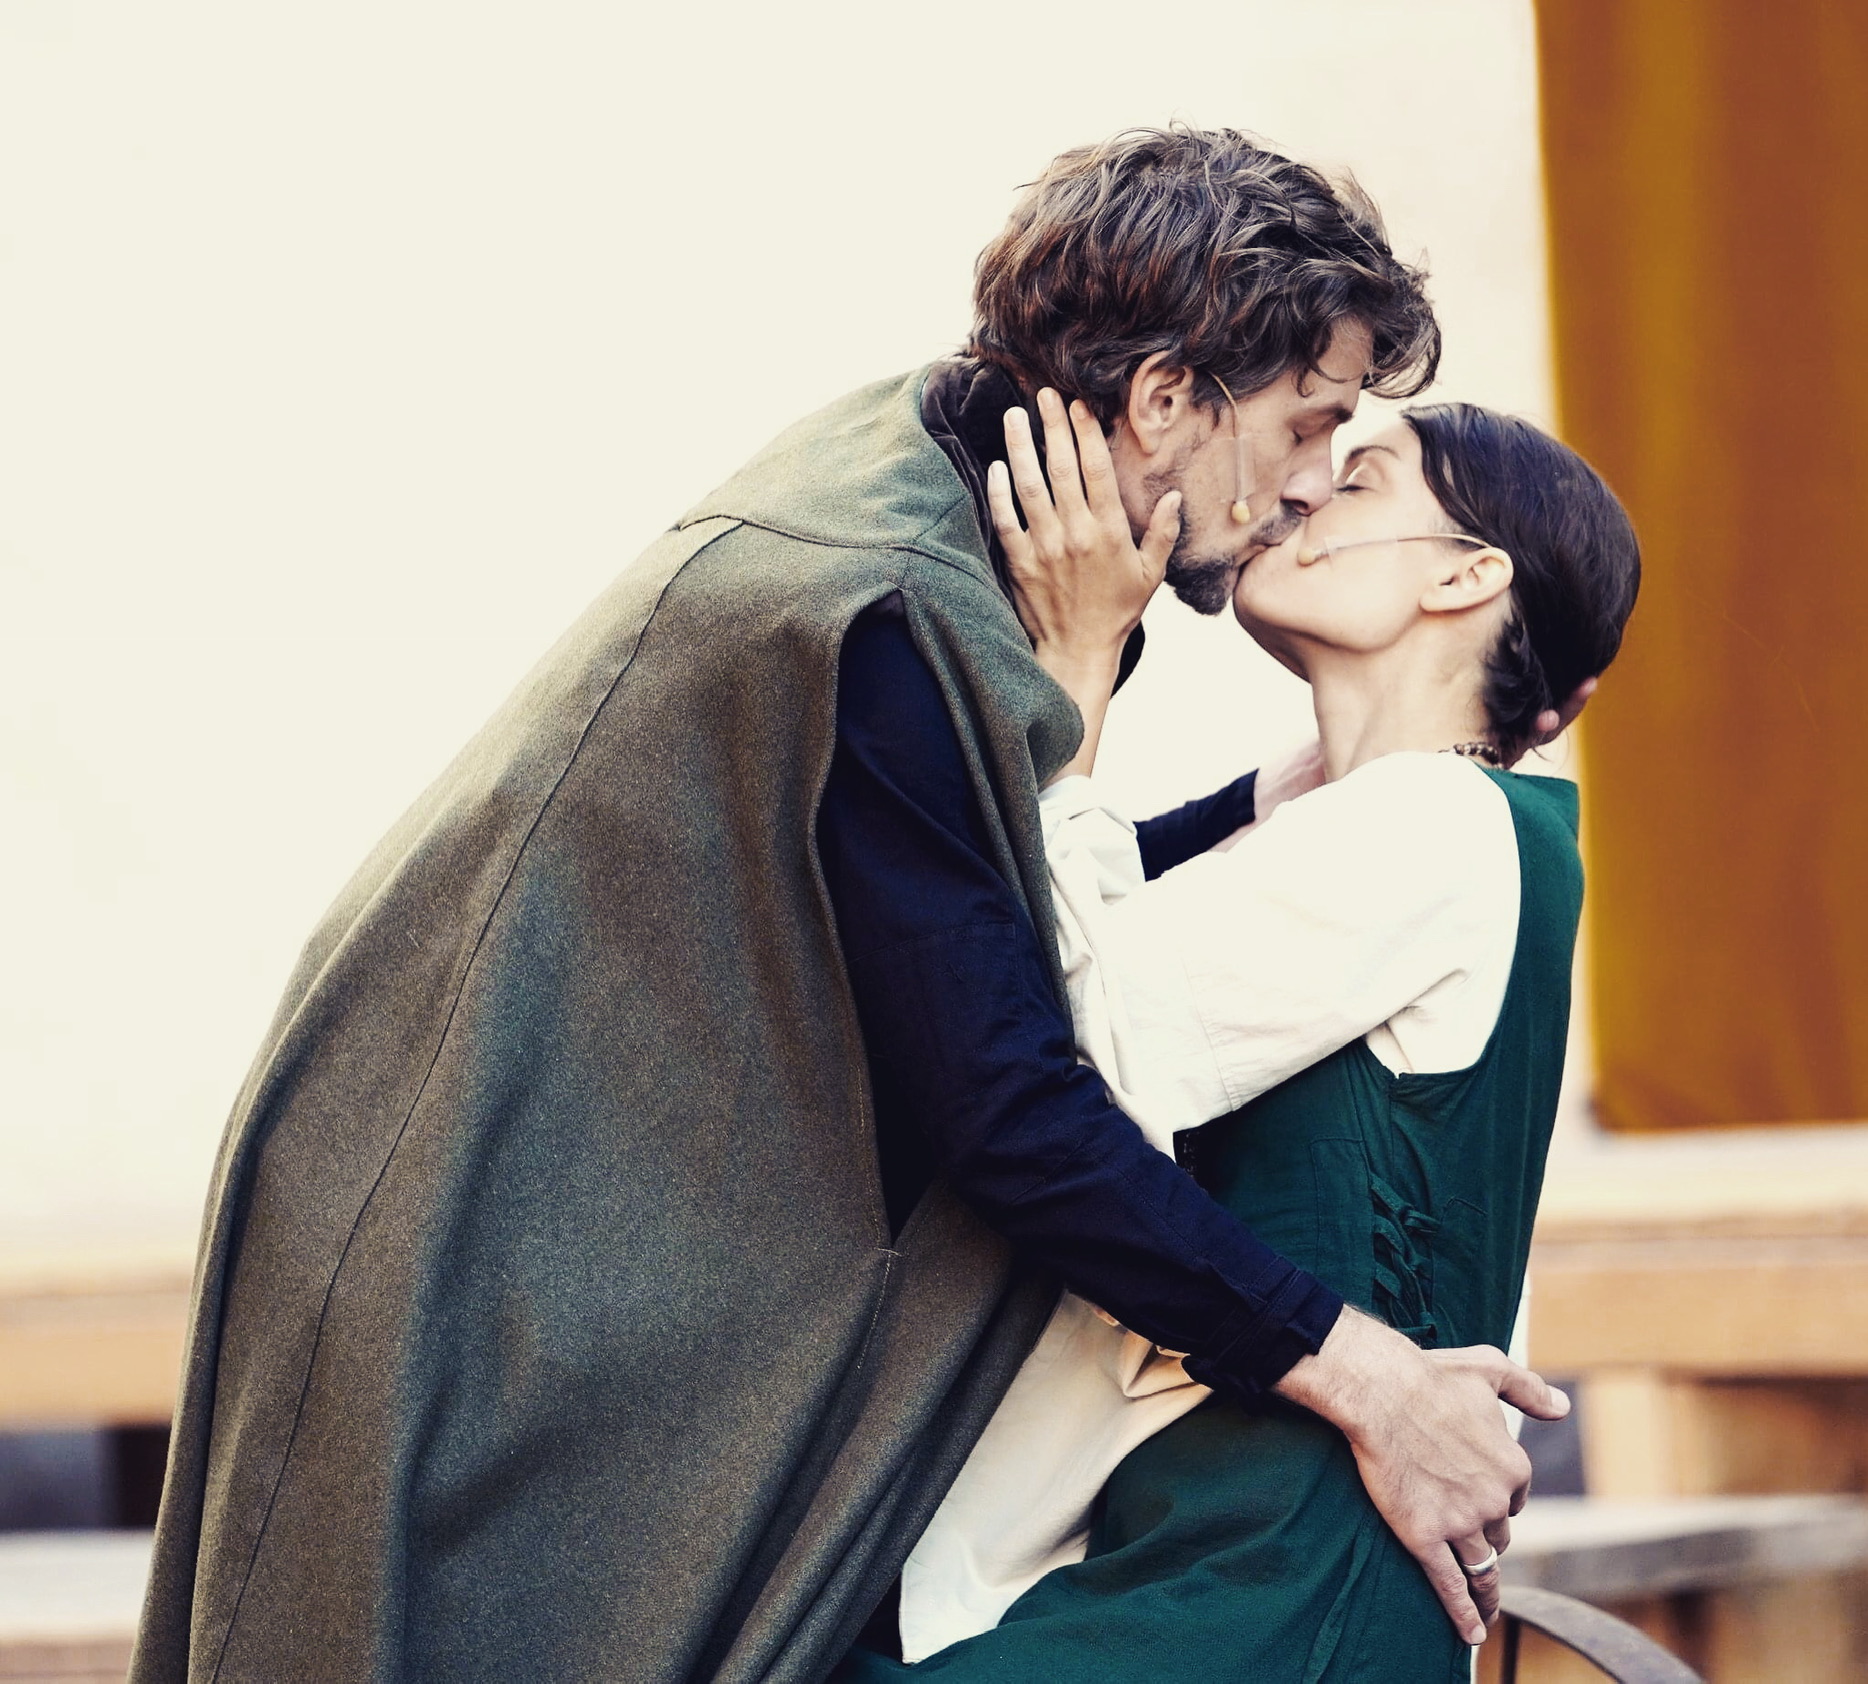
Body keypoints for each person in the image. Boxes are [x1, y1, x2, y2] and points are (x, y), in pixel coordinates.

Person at [131, 128, 1574, 1684]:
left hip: (601, 1223)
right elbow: (1017, 1105)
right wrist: (1367, 1377)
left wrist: (1246, 801)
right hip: (475, 1221)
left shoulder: (970, 499)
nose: (1305, 488)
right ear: (1167, 401)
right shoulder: (890, 612)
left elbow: (979, 932)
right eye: (1309, 425)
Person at [837, 392, 1639, 1681]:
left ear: (1465, 576)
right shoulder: (1453, 827)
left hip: (1281, 1581)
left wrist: (1076, 671)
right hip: (1227, 1554)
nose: (1305, 489)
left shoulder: (1435, 826)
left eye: (1360, 479)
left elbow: (1064, 1051)